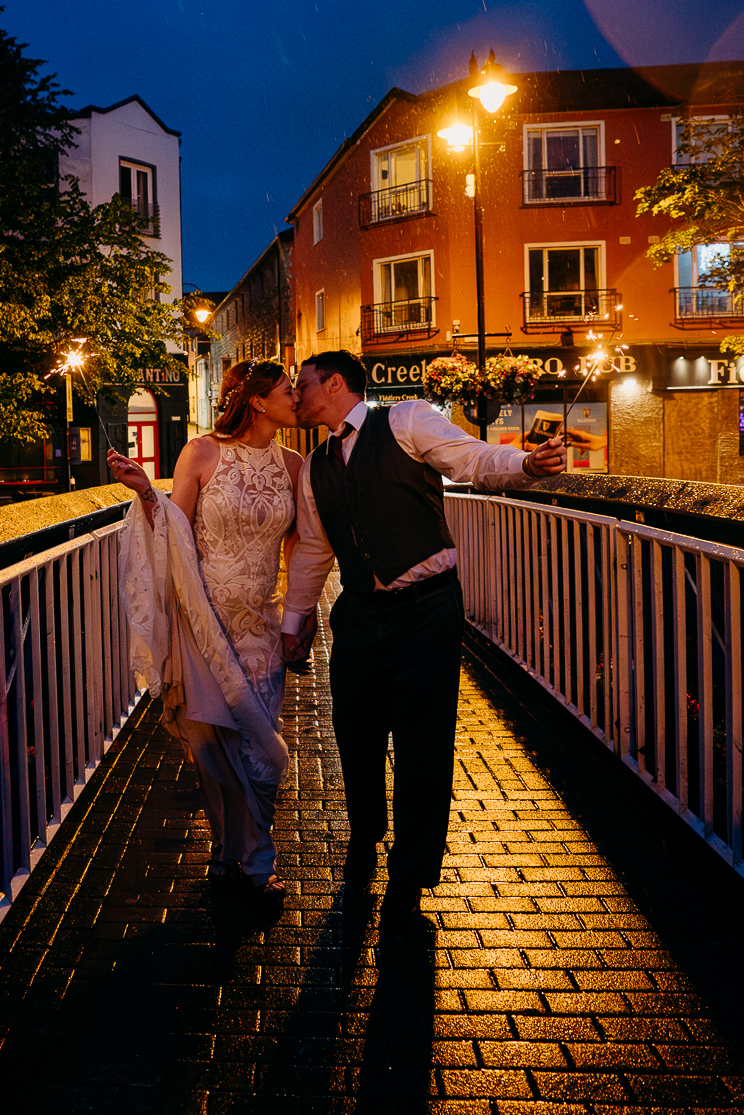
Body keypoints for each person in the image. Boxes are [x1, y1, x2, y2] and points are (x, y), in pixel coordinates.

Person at [278, 349, 566, 923]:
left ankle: (410, 874)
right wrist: (295, 623)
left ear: (334, 384)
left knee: (423, 745)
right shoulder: (314, 466)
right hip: (358, 613)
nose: (297, 395)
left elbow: (471, 459)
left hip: (426, 611)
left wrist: (525, 467)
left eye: (303, 385)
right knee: (354, 738)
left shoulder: (406, 419)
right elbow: (312, 549)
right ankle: (364, 841)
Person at [109, 360, 304, 898]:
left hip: (261, 623)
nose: (299, 398)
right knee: (212, 742)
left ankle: (253, 856)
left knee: (257, 743)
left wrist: (299, 614)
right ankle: (234, 858)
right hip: (204, 619)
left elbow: (301, 544)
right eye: (290, 391)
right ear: (260, 401)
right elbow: (174, 525)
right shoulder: (202, 452)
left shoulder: (293, 464)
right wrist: (147, 492)